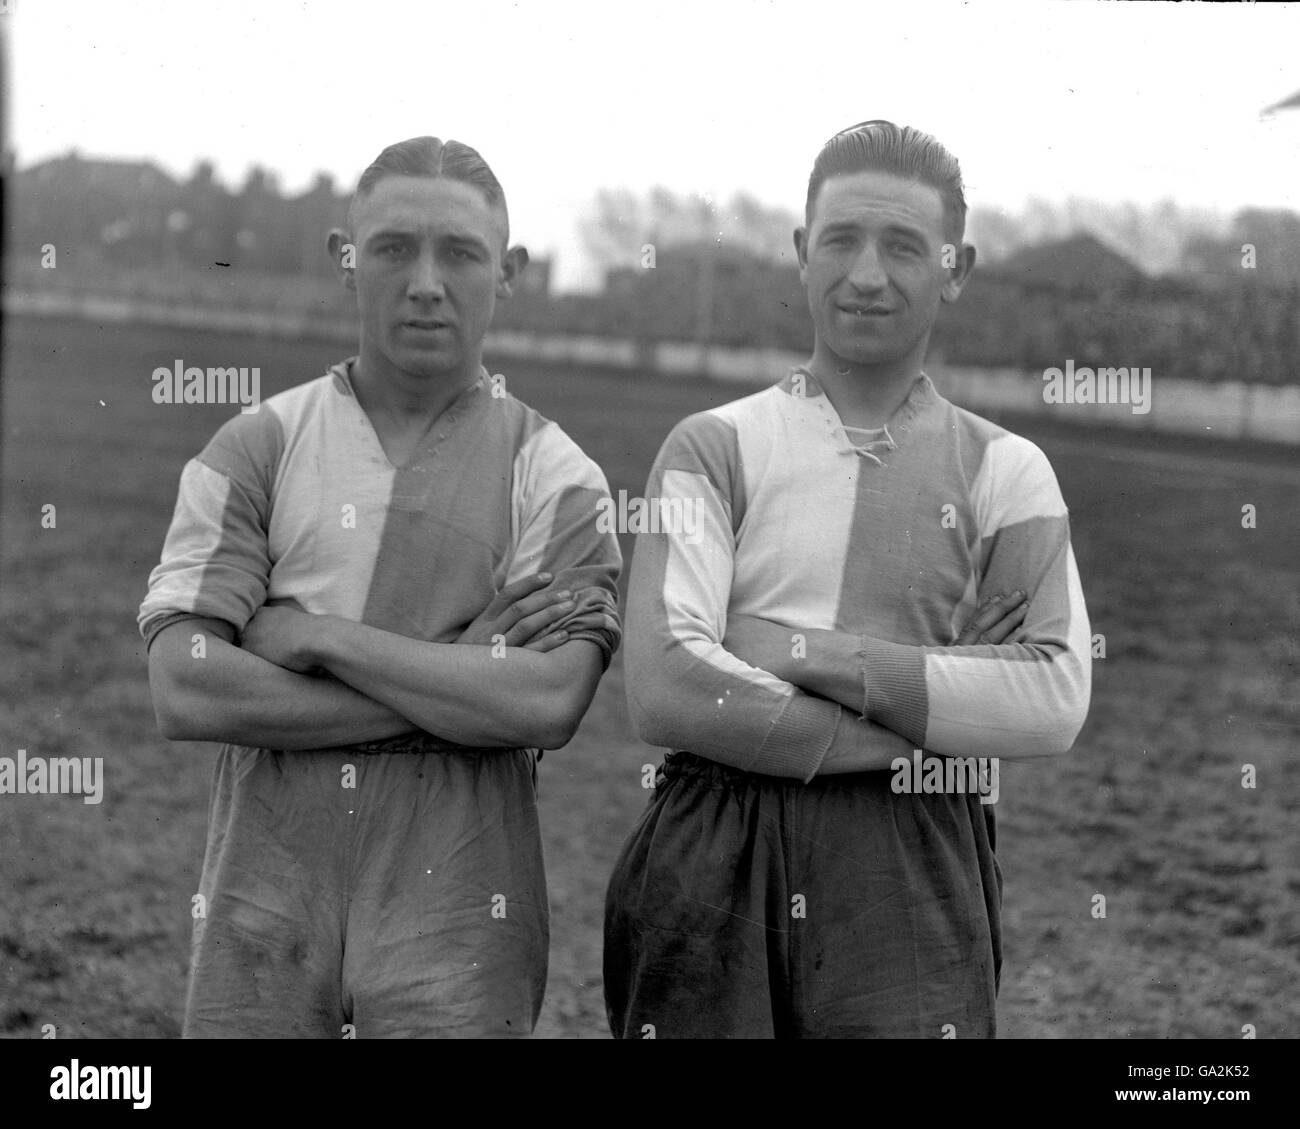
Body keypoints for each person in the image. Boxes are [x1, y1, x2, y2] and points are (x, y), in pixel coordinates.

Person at [604, 120, 1091, 1039]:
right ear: (800, 253)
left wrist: (792, 650)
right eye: (841, 241)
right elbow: (666, 688)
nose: (867, 274)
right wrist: (940, 715)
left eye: (903, 246)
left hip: (911, 851)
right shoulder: (710, 448)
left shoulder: (1009, 470)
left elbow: (1053, 699)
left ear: (956, 266)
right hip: (716, 839)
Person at [141, 136, 621, 1038]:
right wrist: (458, 674)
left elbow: (549, 702)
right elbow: (183, 684)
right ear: (346, 258)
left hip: (460, 896)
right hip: (265, 889)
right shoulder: (253, 446)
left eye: (462, 254)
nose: (426, 282)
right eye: (395, 247)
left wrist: (325, 640)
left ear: (509, 272)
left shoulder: (559, 477)